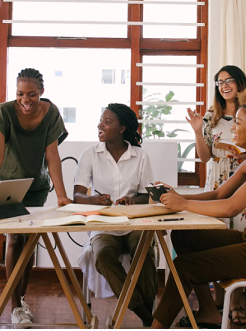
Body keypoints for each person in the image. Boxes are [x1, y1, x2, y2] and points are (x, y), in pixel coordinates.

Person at [151, 88, 246, 329]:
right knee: (185, 237)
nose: (232, 127)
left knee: (184, 265)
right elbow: (220, 193)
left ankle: (156, 327)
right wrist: (178, 196)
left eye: (238, 122)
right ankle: (209, 311)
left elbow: (231, 207)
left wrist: (185, 205)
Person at [0, 68, 72, 325]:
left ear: (41, 93)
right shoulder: (2, 113)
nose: (26, 99)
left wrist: (62, 196)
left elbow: (52, 156)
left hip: (36, 187)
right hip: (8, 186)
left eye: (32, 94)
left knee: (30, 243)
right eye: (20, 93)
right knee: (14, 240)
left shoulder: (51, 113)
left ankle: (20, 300)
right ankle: (14, 306)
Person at [73, 103, 157, 327]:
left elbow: (145, 196)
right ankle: (147, 317)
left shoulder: (140, 156)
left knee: (146, 252)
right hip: (104, 225)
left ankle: (148, 315)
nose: (100, 124)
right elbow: (77, 196)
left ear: (122, 129)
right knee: (102, 256)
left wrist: (132, 200)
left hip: (133, 223)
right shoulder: (90, 155)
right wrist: (94, 200)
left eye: (107, 121)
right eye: (101, 120)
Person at [185, 65, 246, 324]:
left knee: (241, 242)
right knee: (217, 239)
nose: (224, 86)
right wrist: (198, 130)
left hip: (244, 178)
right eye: (219, 82)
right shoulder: (212, 115)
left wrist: (243, 154)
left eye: (229, 80)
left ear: (240, 84)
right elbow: (204, 157)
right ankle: (219, 298)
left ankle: (238, 301)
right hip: (217, 182)